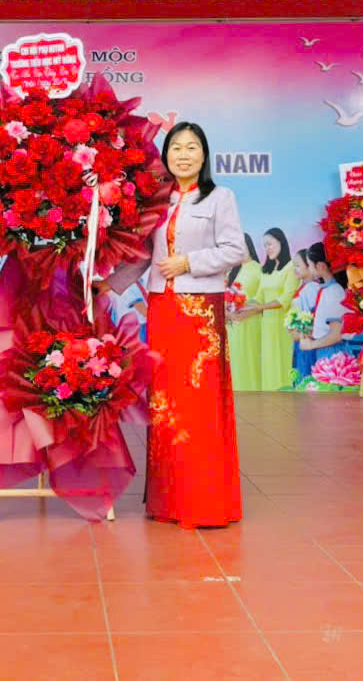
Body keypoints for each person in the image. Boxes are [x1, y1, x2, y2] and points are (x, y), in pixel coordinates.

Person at [104, 122, 248, 529]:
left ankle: (204, 502)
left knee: (200, 403)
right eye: (176, 148)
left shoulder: (220, 197)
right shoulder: (157, 201)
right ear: (165, 156)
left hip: (200, 310)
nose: (184, 155)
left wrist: (189, 262)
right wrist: (109, 284)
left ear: (204, 154)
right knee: (165, 404)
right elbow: (142, 256)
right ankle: (169, 501)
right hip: (163, 309)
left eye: (192, 147)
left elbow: (235, 250)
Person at [246, 227, 297, 391]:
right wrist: (238, 304)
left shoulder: (291, 268)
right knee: (269, 363)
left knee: (282, 362)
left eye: (270, 244)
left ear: (281, 242)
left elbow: (285, 298)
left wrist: (260, 307)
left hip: (283, 325)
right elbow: (258, 297)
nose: (267, 248)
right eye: (264, 246)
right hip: (267, 326)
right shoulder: (266, 270)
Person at [300, 242, 358, 364]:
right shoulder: (329, 290)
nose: (309, 269)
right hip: (327, 351)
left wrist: (311, 345)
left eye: (309, 265)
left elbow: (336, 334)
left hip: (333, 354)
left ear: (320, 266)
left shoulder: (334, 292)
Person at [226, 234, 264, 391]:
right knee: (235, 363)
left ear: (249, 246)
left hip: (250, 323)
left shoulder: (259, 269)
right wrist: (229, 314)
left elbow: (261, 299)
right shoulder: (233, 270)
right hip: (232, 326)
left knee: (250, 360)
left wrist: (241, 315)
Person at [287, 248, 319, 385]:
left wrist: (299, 331)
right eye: (294, 266)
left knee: (306, 377)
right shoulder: (304, 287)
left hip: (307, 339)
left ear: (309, 266)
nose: (295, 269)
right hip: (301, 339)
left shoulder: (312, 288)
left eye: (298, 265)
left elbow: (313, 317)